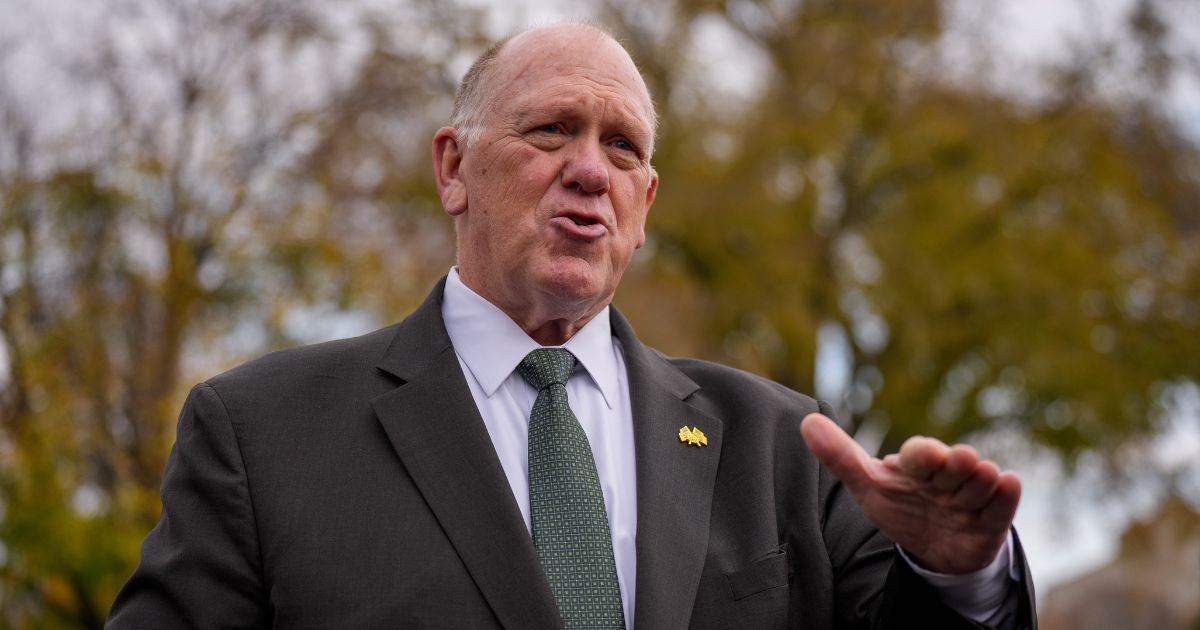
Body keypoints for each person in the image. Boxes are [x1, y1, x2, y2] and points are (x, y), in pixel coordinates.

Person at [107, 22, 1035, 630]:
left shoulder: (781, 445)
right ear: (453, 168)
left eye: (622, 146)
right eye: (552, 131)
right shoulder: (263, 434)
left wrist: (958, 575)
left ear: (646, 203)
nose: (591, 171)